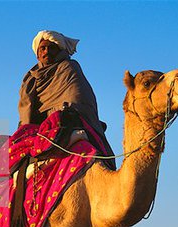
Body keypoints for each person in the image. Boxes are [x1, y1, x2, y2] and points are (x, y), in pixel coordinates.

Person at [18, 30, 115, 169]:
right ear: (38, 53)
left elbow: (77, 98)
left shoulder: (68, 67)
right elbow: (26, 109)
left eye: (51, 48)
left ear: (59, 51)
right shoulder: (30, 78)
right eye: (43, 48)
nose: (47, 51)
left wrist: (60, 116)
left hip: (66, 121)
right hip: (39, 128)